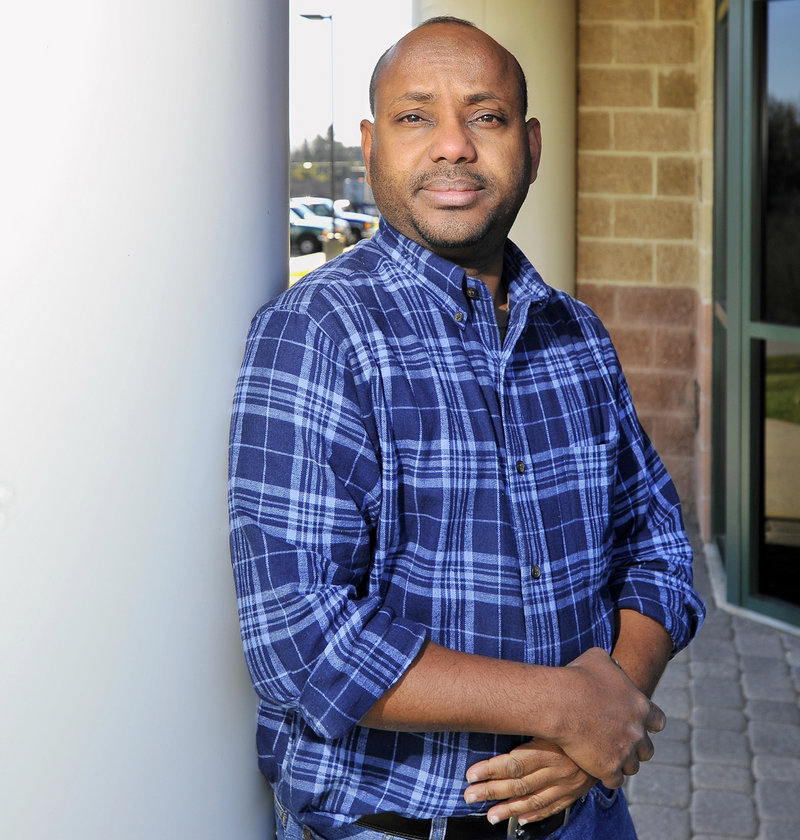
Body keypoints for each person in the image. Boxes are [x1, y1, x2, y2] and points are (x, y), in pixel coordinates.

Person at [228, 16, 705, 840]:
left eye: (485, 115)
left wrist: (605, 711)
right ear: (373, 144)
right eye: (417, 116)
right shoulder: (318, 335)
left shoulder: (576, 332)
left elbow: (658, 546)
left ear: (532, 143)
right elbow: (298, 639)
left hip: (590, 816)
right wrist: (564, 704)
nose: (453, 144)